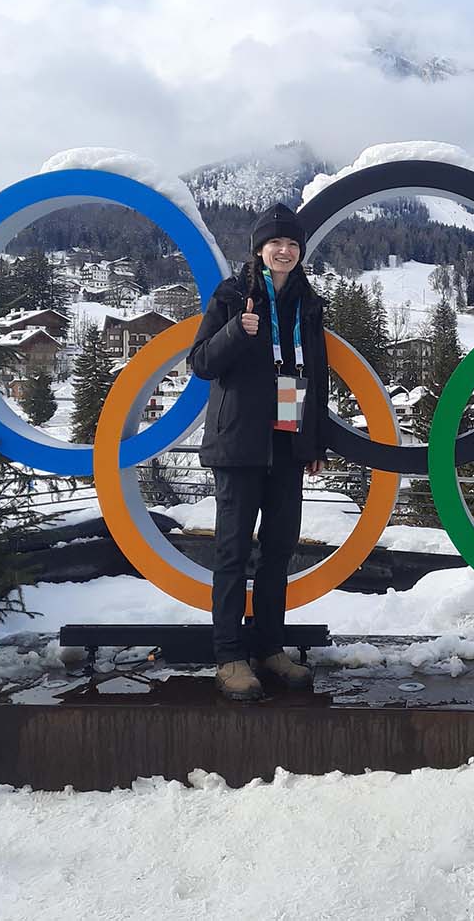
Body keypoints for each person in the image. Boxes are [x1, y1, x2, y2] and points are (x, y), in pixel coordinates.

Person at [188, 203, 329, 701]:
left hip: (287, 442)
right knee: (232, 553)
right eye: (276, 244)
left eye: (292, 244)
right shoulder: (232, 296)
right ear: (260, 250)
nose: (284, 251)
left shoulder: (308, 303)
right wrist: (235, 332)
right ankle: (229, 657)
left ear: (300, 251)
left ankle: (270, 648)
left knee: (278, 552)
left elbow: (318, 374)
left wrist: (313, 442)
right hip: (240, 443)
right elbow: (200, 362)